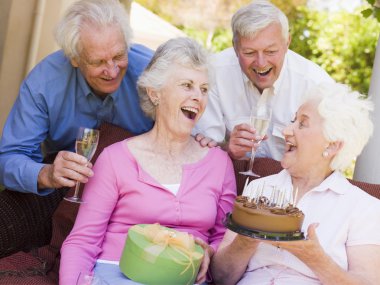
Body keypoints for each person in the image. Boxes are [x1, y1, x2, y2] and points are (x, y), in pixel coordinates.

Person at [59, 37, 236, 285]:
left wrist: (211, 250)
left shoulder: (219, 164)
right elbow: (82, 240)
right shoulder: (115, 159)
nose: (198, 97)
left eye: (204, 89)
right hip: (119, 275)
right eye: (187, 85)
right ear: (155, 93)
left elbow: (223, 236)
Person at [0, 0, 153, 257]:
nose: (112, 70)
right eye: (98, 62)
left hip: (137, 191)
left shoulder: (152, 73)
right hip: (63, 187)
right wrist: (47, 174)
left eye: (118, 55)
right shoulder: (44, 82)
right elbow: (8, 160)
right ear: (74, 58)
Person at [211, 82, 380, 285]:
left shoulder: (364, 208)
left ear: (333, 144)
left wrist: (316, 259)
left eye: (302, 123)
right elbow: (220, 277)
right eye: (292, 120)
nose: (287, 130)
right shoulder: (257, 189)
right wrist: (246, 239)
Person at [194, 0, 334, 161]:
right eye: (249, 52)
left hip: (292, 181)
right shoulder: (213, 73)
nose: (261, 63)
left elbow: (327, 157)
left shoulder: (316, 85)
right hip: (230, 177)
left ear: (287, 42)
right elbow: (202, 147)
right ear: (235, 47)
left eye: (270, 51)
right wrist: (227, 149)